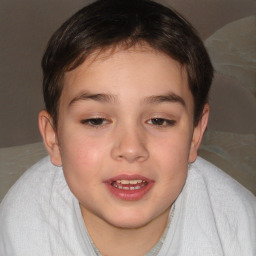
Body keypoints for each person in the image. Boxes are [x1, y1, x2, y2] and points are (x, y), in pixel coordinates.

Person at [0, 0, 255, 255]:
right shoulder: (24, 224)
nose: (131, 148)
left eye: (159, 120)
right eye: (96, 120)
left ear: (195, 134)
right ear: (53, 137)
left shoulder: (238, 230)